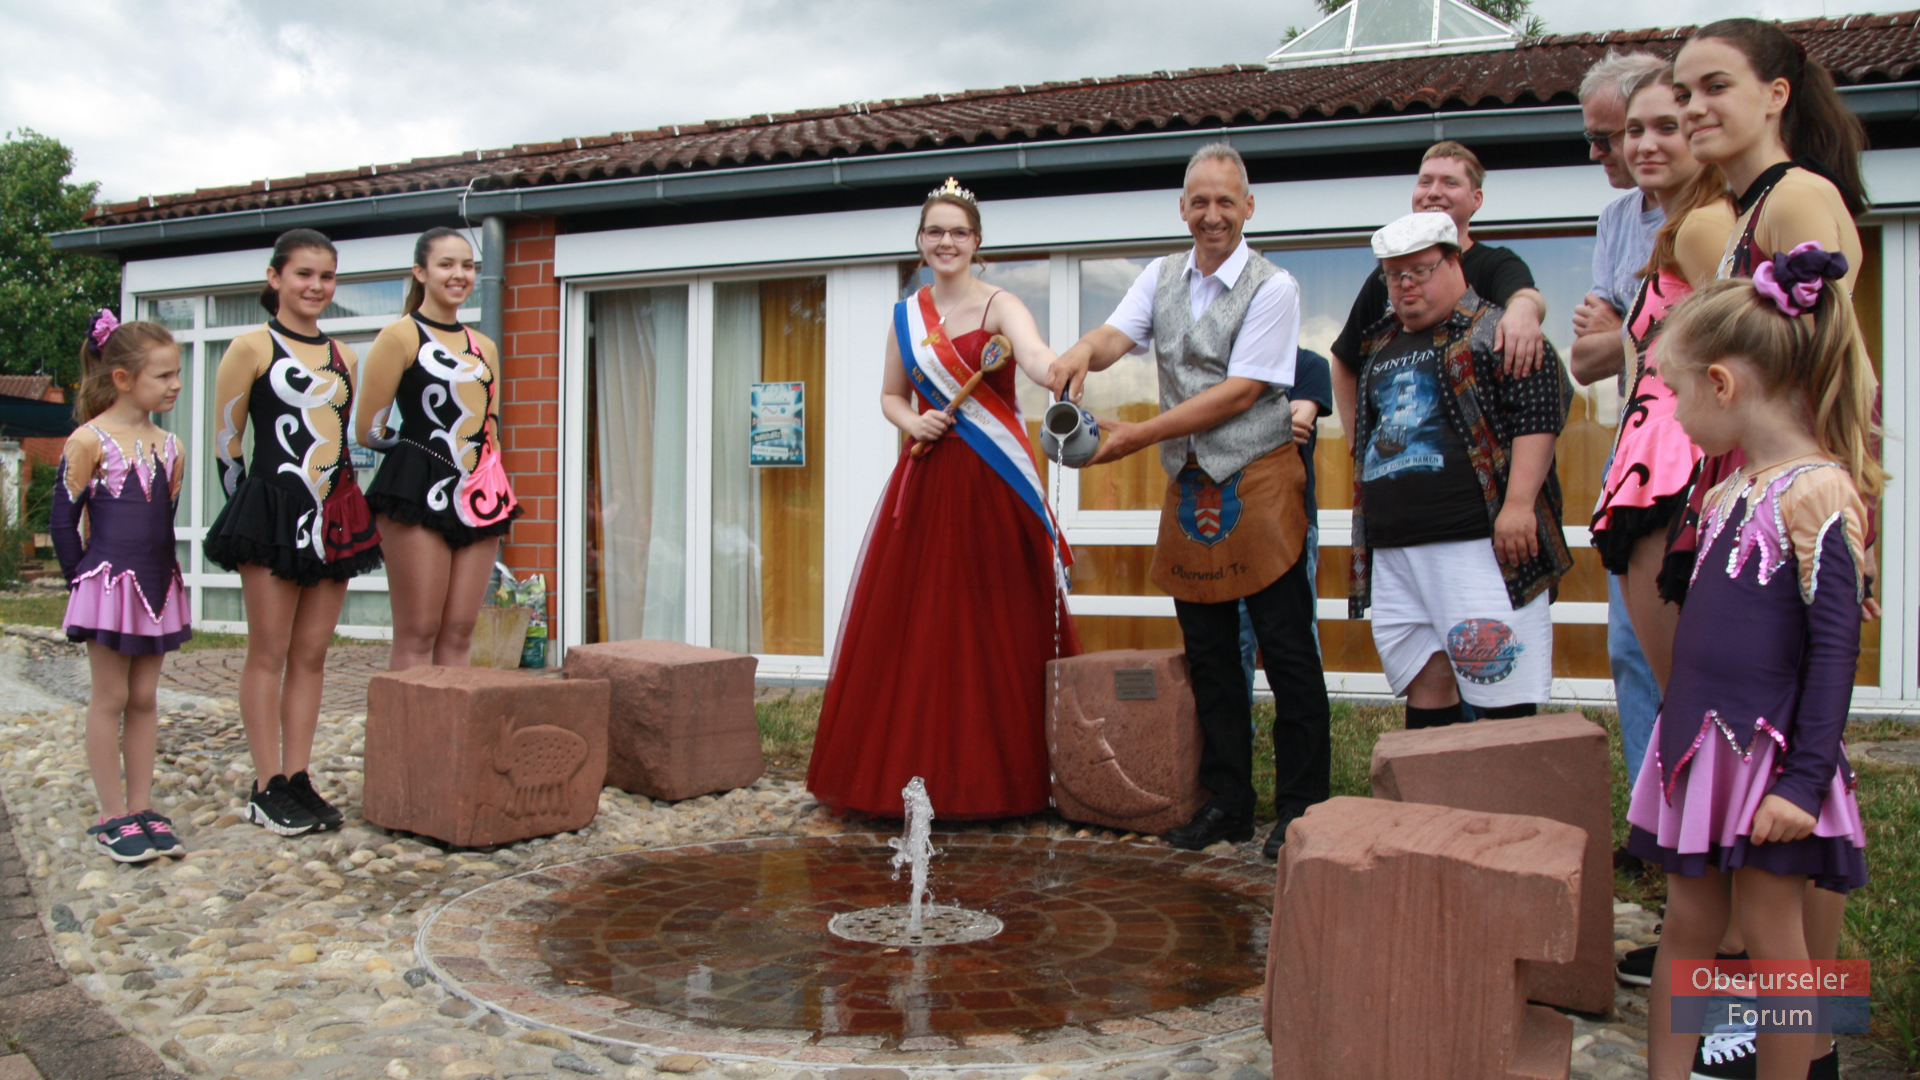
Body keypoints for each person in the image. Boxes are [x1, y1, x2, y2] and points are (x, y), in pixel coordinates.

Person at [1655, 22, 1873, 1077]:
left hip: (1798, 517)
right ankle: (1782, 1050)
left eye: (1712, 88)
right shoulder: (1727, 214)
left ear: (1777, 93)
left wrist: (1831, 508)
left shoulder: (1793, 199)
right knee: (1761, 889)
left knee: (1795, 883)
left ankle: (1808, 1056)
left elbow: (1844, 368)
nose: (1692, 108)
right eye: (1681, 91)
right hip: (1750, 503)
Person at [1053, 144, 1330, 857]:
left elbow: (1240, 392)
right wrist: (1083, 352)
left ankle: (1301, 808)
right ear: (1183, 208)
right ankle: (1228, 803)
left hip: (1263, 473)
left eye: (1225, 202)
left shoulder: (1276, 287)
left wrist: (1140, 433)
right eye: (1200, 202)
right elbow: (1119, 335)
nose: (1213, 215)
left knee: (1287, 648)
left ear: (1248, 208)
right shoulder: (1159, 276)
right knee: (1208, 653)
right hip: (1193, 482)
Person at [805, 178, 1080, 820]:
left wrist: (1058, 369)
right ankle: (912, 774)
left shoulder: (1001, 305)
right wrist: (911, 422)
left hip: (993, 485)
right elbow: (891, 395)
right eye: (936, 232)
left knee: (997, 621)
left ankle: (1009, 777)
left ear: (977, 242)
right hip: (928, 483)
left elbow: (1034, 357)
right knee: (922, 628)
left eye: (959, 231)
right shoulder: (906, 316)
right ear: (921, 243)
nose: (947, 241)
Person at [1341, 212, 1572, 728]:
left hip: (1478, 542)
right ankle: (1432, 807)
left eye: (1418, 271)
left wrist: (1517, 506)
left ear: (1453, 262)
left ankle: (1503, 806)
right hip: (1398, 546)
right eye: (1392, 275)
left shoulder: (1496, 328)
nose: (1404, 286)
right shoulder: (1379, 342)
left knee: (1497, 678)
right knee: (1427, 679)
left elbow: (1540, 410)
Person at [205, 228, 383, 837]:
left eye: (326, 276)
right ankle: (266, 784)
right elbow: (228, 446)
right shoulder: (250, 347)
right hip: (271, 516)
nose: (315, 286)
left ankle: (298, 775)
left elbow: (339, 440)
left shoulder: (346, 358)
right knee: (269, 651)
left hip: (331, 517)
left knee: (311, 655)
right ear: (276, 277)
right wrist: (249, 522)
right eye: (304, 274)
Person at [1591, 68, 1735, 694]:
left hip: (1687, 470)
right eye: (1634, 131)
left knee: (1694, 690)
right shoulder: (1665, 231)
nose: (1644, 145)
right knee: (1648, 668)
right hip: (1647, 464)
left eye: (1666, 128)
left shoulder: (1709, 230)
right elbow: (1595, 355)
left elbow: (1746, 358)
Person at [1567, 51, 1670, 839]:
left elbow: (1627, 343)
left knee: (1695, 647)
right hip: (1636, 446)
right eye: (1605, 139)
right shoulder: (1615, 221)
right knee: (1632, 644)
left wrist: (1628, 335)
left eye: (1613, 138)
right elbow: (1586, 358)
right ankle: (1652, 819)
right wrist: (1639, 339)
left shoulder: (1720, 209)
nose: (1604, 155)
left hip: (1699, 450)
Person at [53, 311, 191, 862]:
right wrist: (81, 585)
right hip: (106, 585)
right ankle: (112, 815)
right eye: (163, 376)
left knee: (143, 698)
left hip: (156, 585)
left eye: (176, 373)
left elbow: (165, 519)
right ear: (123, 379)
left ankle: (140, 805)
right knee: (110, 696)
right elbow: (63, 523)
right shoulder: (88, 440)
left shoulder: (171, 446)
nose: (175, 384)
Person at [358, 227, 520, 670]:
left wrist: (487, 469)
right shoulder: (399, 336)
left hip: (479, 491)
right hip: (415, 491)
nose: (459, 274)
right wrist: (421, 457)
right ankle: (409, 739)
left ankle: (452, 739)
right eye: (446, 264)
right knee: (419, 632)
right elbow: (367, 431)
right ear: (420, 272)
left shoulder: (483, 346)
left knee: (460, 632)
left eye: (467, 266)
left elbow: (491, 422)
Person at [1330, 141, 1551, 418]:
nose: (1434, 193)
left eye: (1450, 183)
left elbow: (1525, 298)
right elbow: (1344, 358)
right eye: (1425, 182)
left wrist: (1524, 309)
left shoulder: (1497, 264)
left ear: (1476, 199)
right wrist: (1357, 444)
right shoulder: (1383, 278)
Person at [1238, 349, 1331, 696]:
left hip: (1288, 523)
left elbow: (1297, 427)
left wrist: (1223, 423)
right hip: (1225, 524)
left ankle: (1304, 745)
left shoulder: (1307, 365)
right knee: (1234, 643)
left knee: (1295, 642)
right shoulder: (1218, 368)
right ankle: (1237, 742)